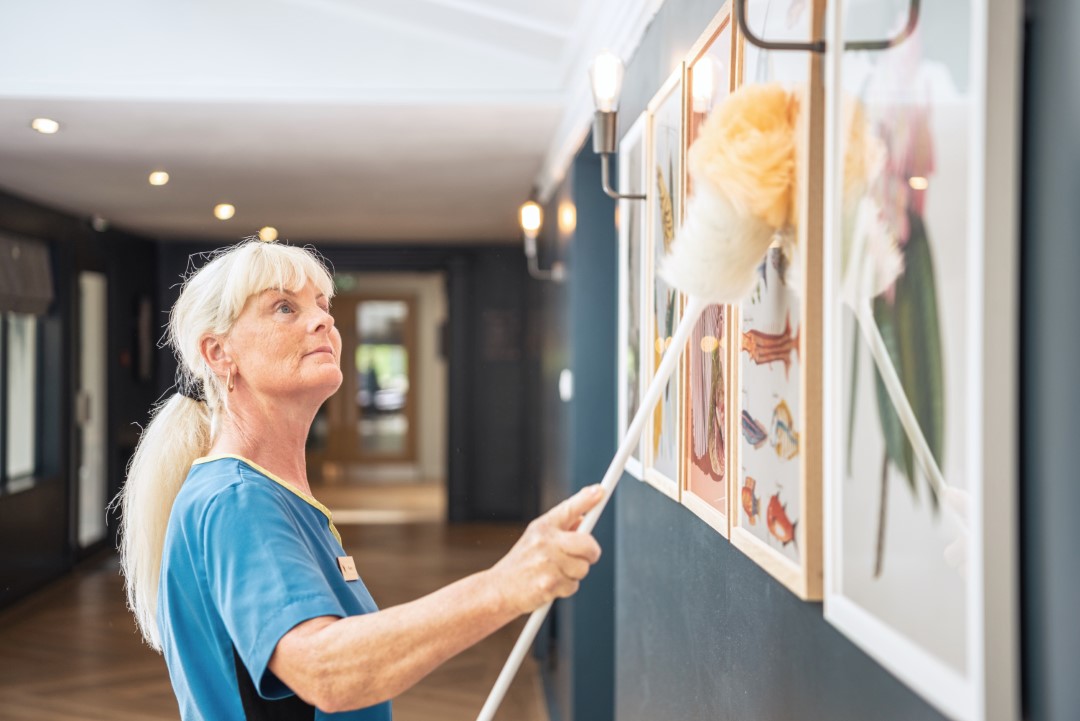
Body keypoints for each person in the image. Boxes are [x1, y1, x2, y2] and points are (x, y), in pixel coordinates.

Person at [116, 239, 603, 720]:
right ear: (219, 353)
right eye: (284, 308)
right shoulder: (237, 500)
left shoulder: (271, 495)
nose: (324, 319)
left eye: (324, 305)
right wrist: (506, 586)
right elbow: (325, 671)